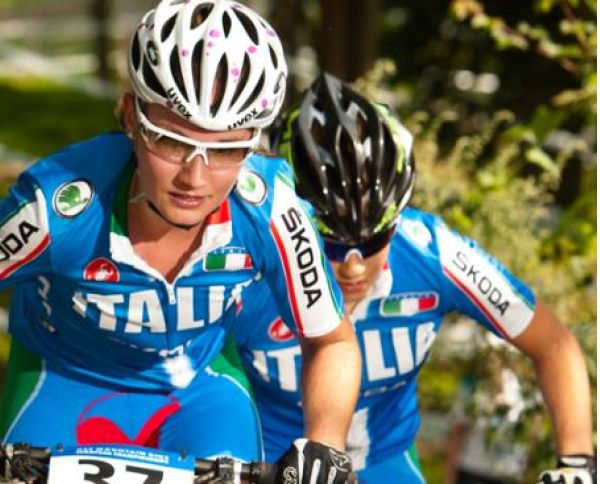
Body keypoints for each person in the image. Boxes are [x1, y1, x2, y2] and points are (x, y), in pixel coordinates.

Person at [0, 2, 361, 482]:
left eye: (226, 150)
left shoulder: (271, 211)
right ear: (130, 118)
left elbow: (331, 340)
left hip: (200, 389)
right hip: (64, 380)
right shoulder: (58, 208)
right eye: (172, 142)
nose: (194, 177)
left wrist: (324, 443)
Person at [231, 72, 595, 483]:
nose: (354, 266)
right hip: (273, 462)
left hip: (385, 462)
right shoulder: (251, 264)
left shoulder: (431, 251)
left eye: (374, 241)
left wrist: (577, 463)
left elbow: (554, 343)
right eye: (331, 246)